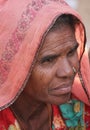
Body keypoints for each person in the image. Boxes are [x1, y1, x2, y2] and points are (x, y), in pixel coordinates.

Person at [0, 0, 90, 130]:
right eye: (48, 60)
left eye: (71, 52)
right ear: (15, 66)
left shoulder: (79, 110)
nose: (68, 71)